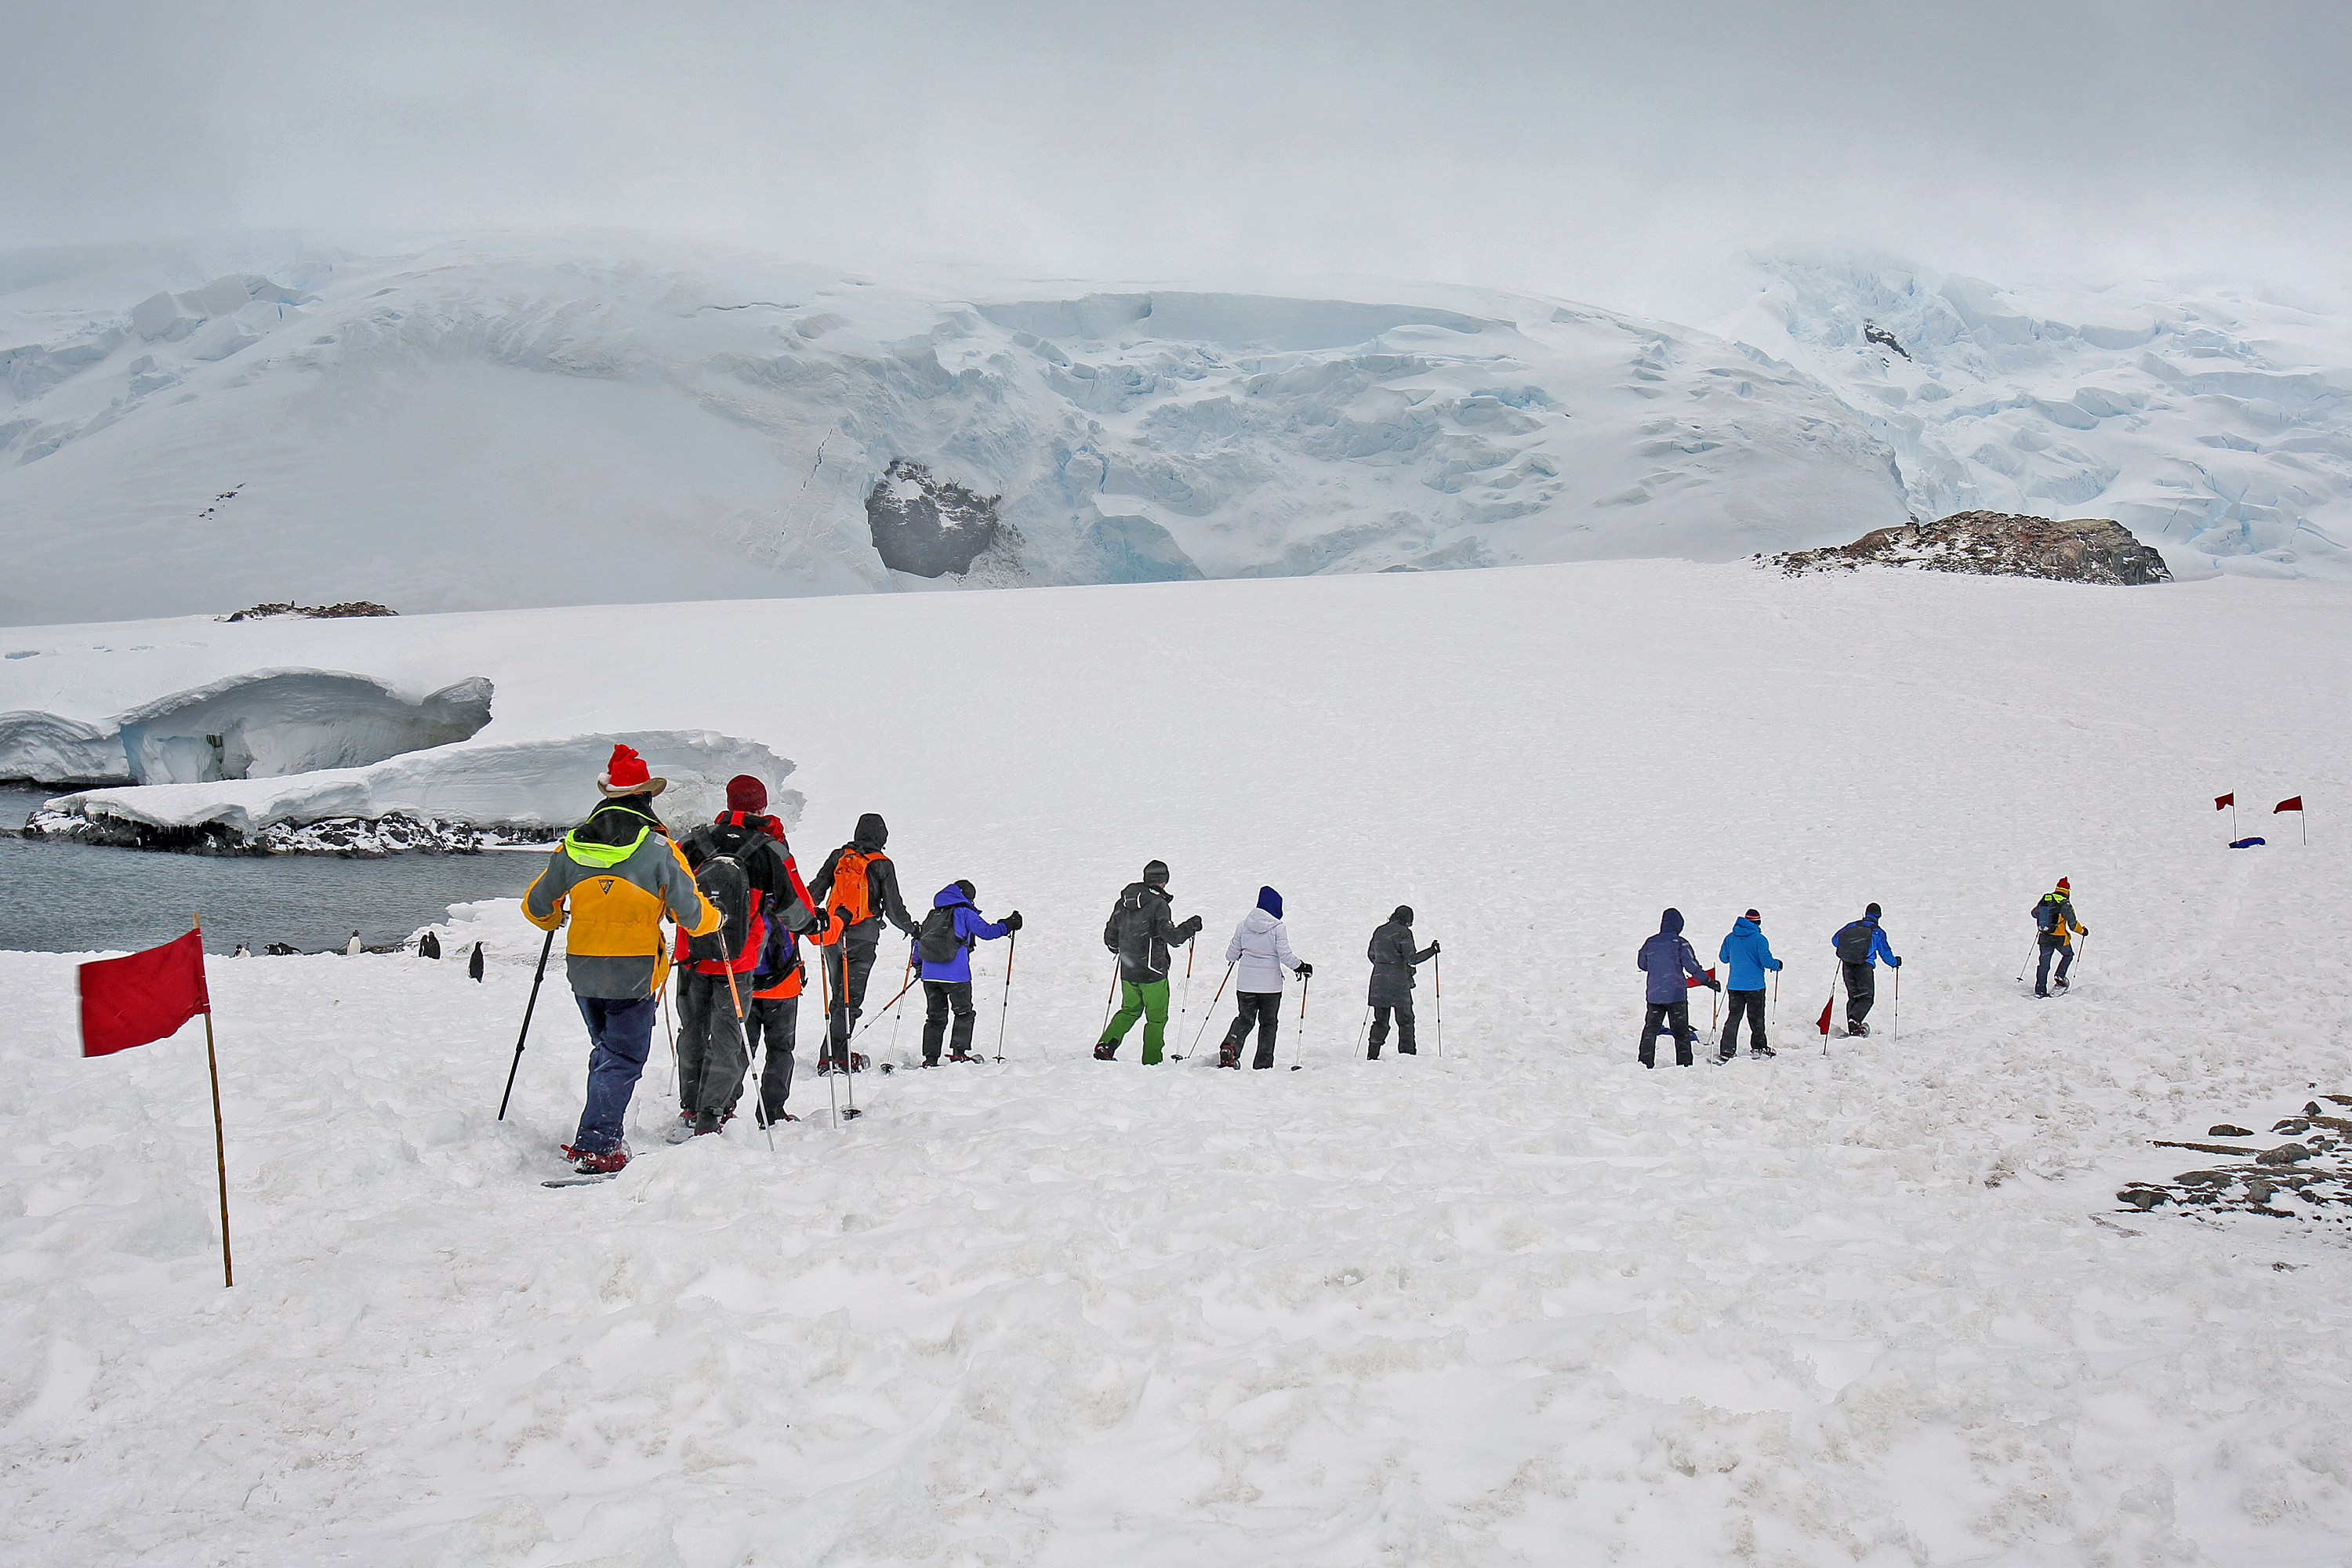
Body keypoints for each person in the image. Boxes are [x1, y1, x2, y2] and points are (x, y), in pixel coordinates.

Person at [524, 743, 720, 1175]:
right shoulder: (659, 848)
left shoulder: (573, 846)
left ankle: (601, 1131)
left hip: (583, 970)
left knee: (608, 1050)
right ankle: (597, 1145)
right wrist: (715, 918)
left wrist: (557, 914)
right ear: (645, 797)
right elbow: (690, 914)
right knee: (624, 1059)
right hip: (633, 971)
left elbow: (536, 906)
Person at [670, 776, 826, 1138]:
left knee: (692, 1031)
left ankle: (690, 1106)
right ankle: (711, 1115)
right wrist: (816, 924)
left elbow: (669, 899)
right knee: (728, 1038)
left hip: (692, 954)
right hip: (737, 961)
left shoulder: (692, 842)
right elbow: (796, 912)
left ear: (729, 802)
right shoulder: (768, 849)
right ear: (761, 807)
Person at [808, 812, 924, 1071]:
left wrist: (800, 919)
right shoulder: (881, 864)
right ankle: (835, 1058)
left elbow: (816, 889)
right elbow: (894, 908)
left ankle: (833, 1053)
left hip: (833, 935)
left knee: (840, 995)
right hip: (862, 937)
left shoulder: (840, 856)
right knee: (850, 1000)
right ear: (881, 836)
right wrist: (912, 929)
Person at [1095, 860, 1204, 1063]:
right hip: (1152, 972)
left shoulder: (1123, 902)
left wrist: (1124, 950)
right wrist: (1191, 926)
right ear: (1162, 882)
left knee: (1129, 1010)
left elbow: (1110, 937)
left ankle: (1105, 1046)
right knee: (1156, 1018)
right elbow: (1173, 938)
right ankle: (1152, 1061)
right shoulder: (1158, 905)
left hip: (1128, 970)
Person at [915, 880, 1020, 1064]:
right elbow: (987, 932)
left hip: (930, 975)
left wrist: (918, 967)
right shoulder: (964, 912)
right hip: (956, 974)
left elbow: (919, 940)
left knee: (935, 1017)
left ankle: (930, 1059)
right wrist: (1008, 925)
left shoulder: (933, 914)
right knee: (963, 1013)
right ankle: (958, 1053)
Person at [1220, 886, 1311, 1069]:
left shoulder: (1243, 925)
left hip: (1245, 985)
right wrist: (1301, 966)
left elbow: (1230, 955)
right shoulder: (1278, 928)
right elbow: (1285, 955)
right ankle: (1262, 1064)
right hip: (1270, 987)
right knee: (1268, 1024)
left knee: (1245, 1019)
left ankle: (1231, 1046)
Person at [1637, 908, 1718, 1066]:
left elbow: (1642, 964)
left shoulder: (1650, 942)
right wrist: (1708, 981)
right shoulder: (1680, 943)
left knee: (1651, 1030)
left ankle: (1645, 1062)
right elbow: (1692, 967)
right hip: (1676, 996)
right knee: (1681, 1032)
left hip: (1655, 996)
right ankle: (1685, 1064)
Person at [1365, 906, 1439, 1058]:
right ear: (1407, 920)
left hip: (1378, 982)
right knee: (1405, 1020)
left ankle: (1372, 1055)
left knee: (1380, 1021)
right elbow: (1412, 959)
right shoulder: (1404, 933)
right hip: (1398, 983)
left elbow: (1371, 955)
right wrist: (1432, 951)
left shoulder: (1379, 930)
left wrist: (1384, 966)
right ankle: (1407, 1055)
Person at [1715, 908, 1782, 1060]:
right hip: (1755, 986)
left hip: (1734, 985)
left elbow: (1723, 958)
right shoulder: (1759, 939)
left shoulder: (1730, 938)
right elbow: (1766, 961)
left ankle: (1727, 1049)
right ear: (1757, 923)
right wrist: (1776, 964)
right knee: (1756, 1017)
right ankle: (1759, 1047)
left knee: (1733, 1017)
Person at [1831, 902, 1900, 1036]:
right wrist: (1895, 963)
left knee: (1854, 997)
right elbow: (1885, 954)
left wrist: (1850, 948)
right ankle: (1855, 1022)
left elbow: (1835, 940)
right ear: (1879, 916)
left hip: (1848, 965)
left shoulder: (1852, 926)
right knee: (1867, 998)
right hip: (1864, 967)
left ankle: (1854, 1028)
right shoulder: (1877, 932)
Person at [2031, 877, 2088, 997]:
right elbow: (2073, 925)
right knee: (2068, 955)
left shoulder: (2047, 899)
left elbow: (2034, 913)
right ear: (2067, 891)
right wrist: (2082, 931)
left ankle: (2040, 990)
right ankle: (2060, 976)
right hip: (2060, 939)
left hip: (2045, 937)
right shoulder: (2065, 904)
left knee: (2044, 964)